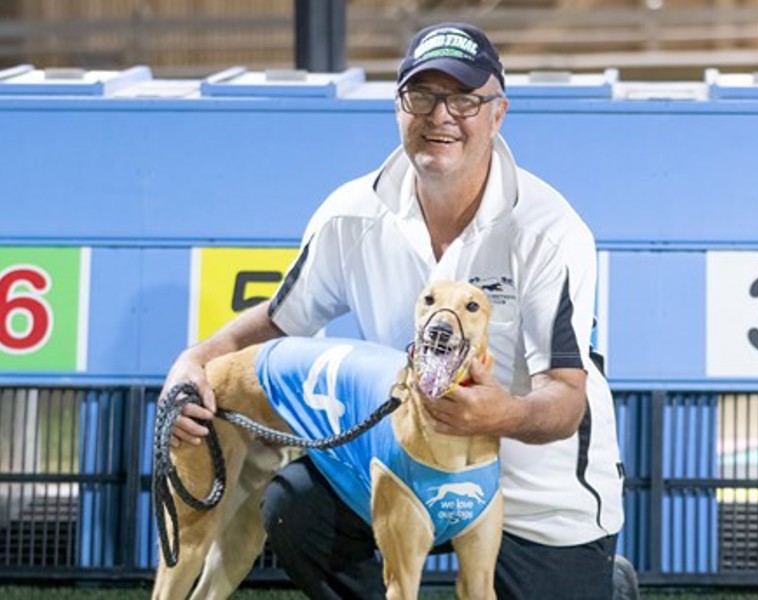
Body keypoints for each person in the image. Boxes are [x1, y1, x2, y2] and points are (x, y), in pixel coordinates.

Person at [162, 22, 624, 600]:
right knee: (293, 507)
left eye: (464, 99)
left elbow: (566, 397)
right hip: (399, 465)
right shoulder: (351, 213)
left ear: (498, 113)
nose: (440, 116)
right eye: (421, 95)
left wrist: (499, 415)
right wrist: (194, 361)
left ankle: (608, 584)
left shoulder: (548, 231)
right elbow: (280, 322)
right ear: (398, 106)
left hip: (537, 498)